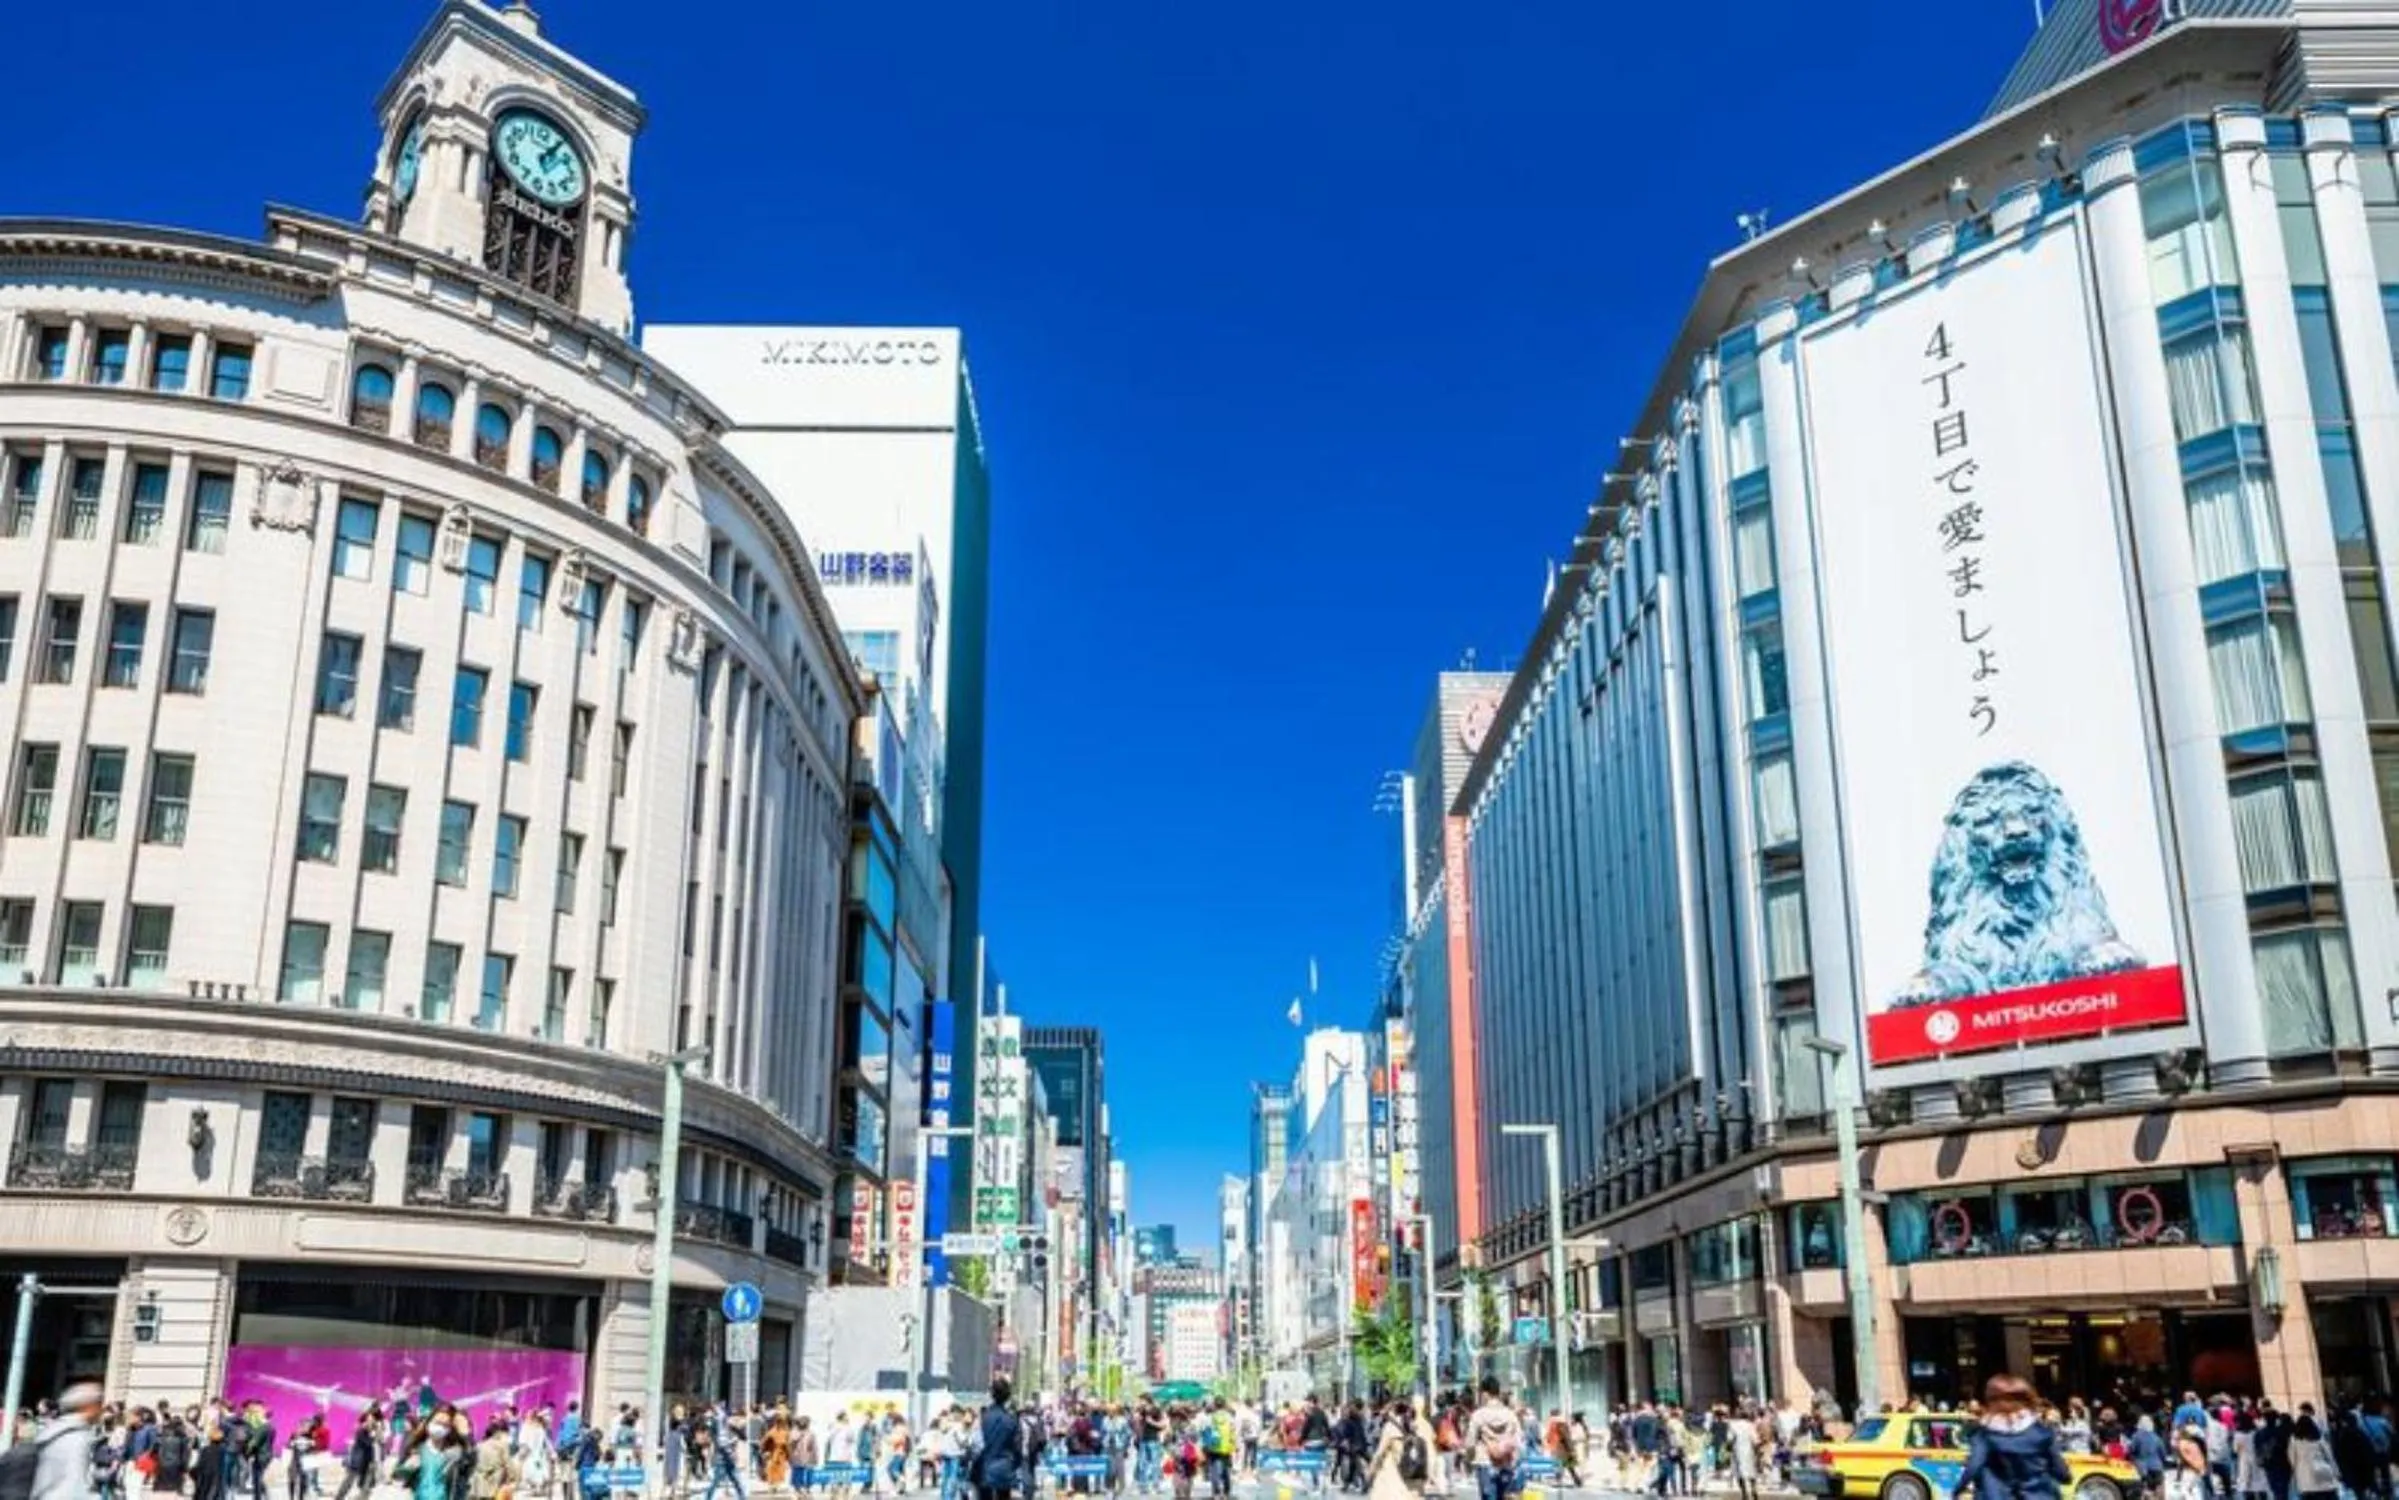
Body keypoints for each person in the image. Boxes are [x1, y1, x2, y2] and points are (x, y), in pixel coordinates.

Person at [1958, 1374, 2067, 1500]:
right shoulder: (2042, 1432)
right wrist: (2064, 1477)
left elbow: (1974, 1465)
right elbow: (2060, 1470)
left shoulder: (1984, 1435)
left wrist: (1959, 1488)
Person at [1366, 1404, 1434, 1500]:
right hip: (1413, 1476)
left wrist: (1370, 1472)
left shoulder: (1390, 1427)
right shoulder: (1420, 1426)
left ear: (1394, 1412)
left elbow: (1379, 1454)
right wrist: (1430, 1474)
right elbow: (1428, 1452)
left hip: (1392, 1476)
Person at [972, 1381, 1025, 1500]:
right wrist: (1015, 1464)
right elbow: (1017, 1447)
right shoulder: (1011, 1420)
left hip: (984, 1467)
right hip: (1005, 1467)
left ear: (992, 1395)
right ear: (1008, 1396)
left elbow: (975, 1444)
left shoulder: (983, 1417)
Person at [1466, 1382, 1519, 1500]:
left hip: (1485, 1461)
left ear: (1485, 1394)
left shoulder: (1478, 1415)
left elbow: (1470, 1442)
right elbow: (1518, 1439)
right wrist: (1514, 1461)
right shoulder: (1510, 1415)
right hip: (1506, 1463)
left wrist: (1469, 1460)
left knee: (1488, 1496)